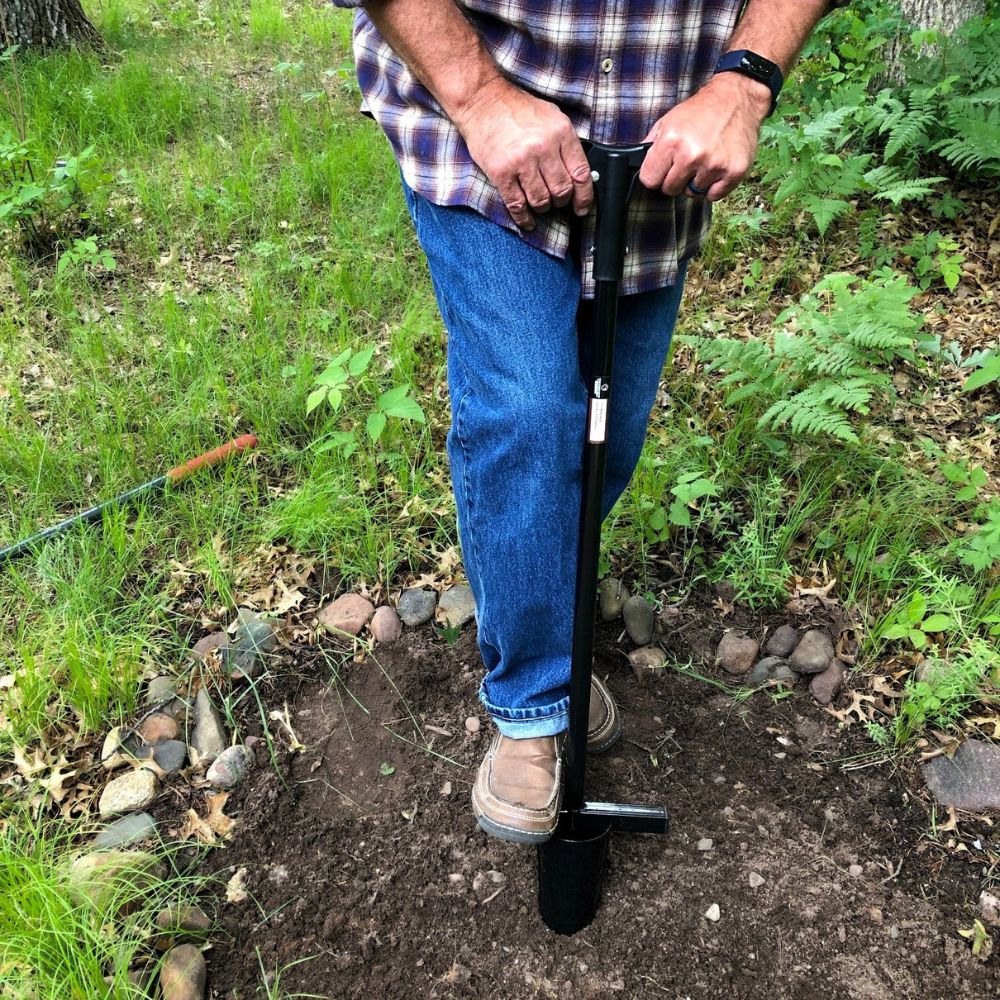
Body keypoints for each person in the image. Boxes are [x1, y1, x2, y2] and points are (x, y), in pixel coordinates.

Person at [330, 0, 839, 844]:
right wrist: (481, 97)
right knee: (530, 416)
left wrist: (746, 82)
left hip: (660, 161)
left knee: (610, 443)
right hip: (476, 139)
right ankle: (533, 703)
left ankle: (540, 609)